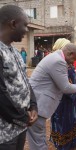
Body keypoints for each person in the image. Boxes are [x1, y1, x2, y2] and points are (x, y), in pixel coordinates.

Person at [27, 43, 76, 150]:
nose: (73, 63)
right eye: (73, 59)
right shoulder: (59, 61)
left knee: (36, 139)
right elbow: (65, 87)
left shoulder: (55, 56)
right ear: (70, 54)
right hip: (38, 105)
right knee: (39, 141)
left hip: (37, 102)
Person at [0, 5, 38, 150]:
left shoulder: (14, 52)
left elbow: (25, 81)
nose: (27, 30)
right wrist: (22, 118)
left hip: (19, 127)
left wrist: (33, 105)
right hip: (4, 133)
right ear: (13, 24)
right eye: (25, 25)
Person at [49, 38, 76, 150]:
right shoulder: (57, 62)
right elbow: (64, 86)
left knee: (72, 122)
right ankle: (63, 146)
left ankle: (71, 144)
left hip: (73, 98)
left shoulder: (68, 63)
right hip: (62, 100)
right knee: (63, 123)